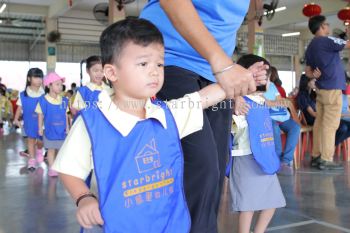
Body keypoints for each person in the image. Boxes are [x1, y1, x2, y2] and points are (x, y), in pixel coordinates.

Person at [53, 18, 239, 233]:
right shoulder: (92, 123)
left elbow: (202, 98)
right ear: (112, 73)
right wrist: (84, 198)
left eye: (159, 64)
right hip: (121, 225)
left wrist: (241, 77)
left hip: (170, 224)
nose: (154, 71)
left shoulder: (166, 114)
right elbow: (69, 169)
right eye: (143, 64)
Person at [140, 2, 269, 232]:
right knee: (201, 165)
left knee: (217, 170)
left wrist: (238, 74)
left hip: (216, 72)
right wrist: (220, 61)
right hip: (168, 60)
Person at [228, 54, 286, 233]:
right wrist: (234, 107)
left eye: (265, 77)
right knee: (248, 204)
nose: (263, 80)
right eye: (257, 76)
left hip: (265, 158)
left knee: (273, 200)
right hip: (245, 157)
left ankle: (259, 231)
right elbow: (233, 129)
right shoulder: (237, 102)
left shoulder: (261, 101)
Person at [305, 15, 350, 170]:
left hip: (322, 89)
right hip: (332, 89)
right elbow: (348, 44)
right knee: (330, 125)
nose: (328, 27)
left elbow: (308, 71)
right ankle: (326, 159)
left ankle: (316, 156)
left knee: (320, 123)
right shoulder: (327, 40)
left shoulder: (311, 46)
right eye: (327, 24)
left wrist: (314, 76)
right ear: (322, 26)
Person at [297, 74, 350, 150]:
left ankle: (329, 145)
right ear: (306, 82)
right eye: (313, 80)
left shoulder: (313, 93)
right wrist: (328, 115)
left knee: (346, 125)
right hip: (313, 120)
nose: (316, 82)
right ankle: (329, 146)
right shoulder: (302, 96)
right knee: (343, 127)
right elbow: (313, 114)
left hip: (321, 118)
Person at [263, 70, 301, 175]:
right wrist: (275, 102)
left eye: (268, 77)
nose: (268, 79)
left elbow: (278, 100)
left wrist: (276, 102)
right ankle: (277, 158)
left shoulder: (272, 86)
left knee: (295, 127)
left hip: (281, 116)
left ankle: (286, 160)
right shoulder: (257, 86)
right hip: (268, 117)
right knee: (273, 127)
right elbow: (265, 102)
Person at [36, 72, 69, 177]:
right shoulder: (43, 100)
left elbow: (65, 115)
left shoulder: (64, 100)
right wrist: (40, 128)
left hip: (61, 130)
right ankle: (51, 168)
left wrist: (68, 128)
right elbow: (40, 115)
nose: (60, 87)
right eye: (57, 84)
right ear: (49, 85)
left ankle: (58, 165)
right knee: (51, 149)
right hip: (49, 130)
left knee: (60, 149)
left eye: (61, 85)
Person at [13, 68, 45, 170]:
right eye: (36, 77)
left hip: (42, 123)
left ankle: (39, 150)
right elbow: (19, 107)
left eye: (40, 77)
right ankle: (32, 161)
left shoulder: (44, 94)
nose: (39, 80)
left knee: (40, 141)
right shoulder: (23, 94)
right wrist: (16, 119)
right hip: (29, 122)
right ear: (29, 78)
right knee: (30, 141)